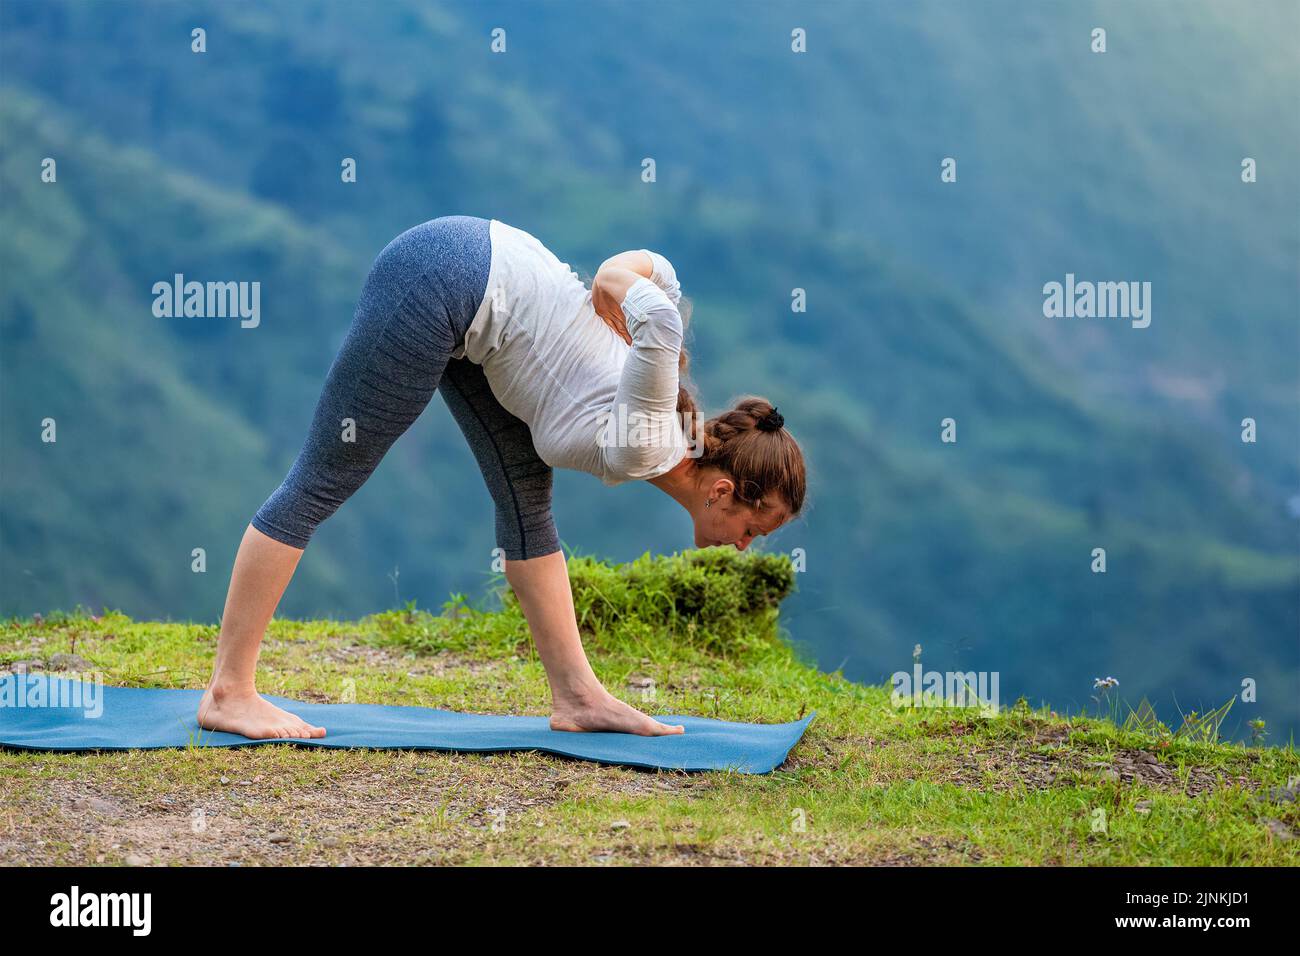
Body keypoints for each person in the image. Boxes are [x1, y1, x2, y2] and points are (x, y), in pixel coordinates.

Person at [197, 216, 806, 740]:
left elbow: (664, 279)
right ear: (723, 491)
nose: (747, 545)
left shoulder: (660, 416)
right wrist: (611, 283)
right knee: (320, 483)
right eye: (754, 528)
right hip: (440, 281)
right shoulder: (648, 440)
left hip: (481, 302)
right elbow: (663, 319)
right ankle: (228, 692)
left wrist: (618, 280)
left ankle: (577, 696)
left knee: (527, 511)